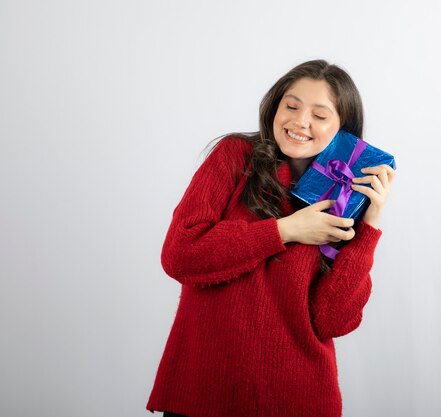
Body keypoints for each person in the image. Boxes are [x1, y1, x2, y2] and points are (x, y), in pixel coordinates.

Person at [146, 59, 396, 417]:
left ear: (345, 130)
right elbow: (180, 255)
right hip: (201, 394)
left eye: (320, 115)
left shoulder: (345, 201)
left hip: (295, 401)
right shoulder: (234, 157)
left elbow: (332, 321)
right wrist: (286, 229)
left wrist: (370, 225)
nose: (299, 122)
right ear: (274, 107)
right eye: (291, 106)